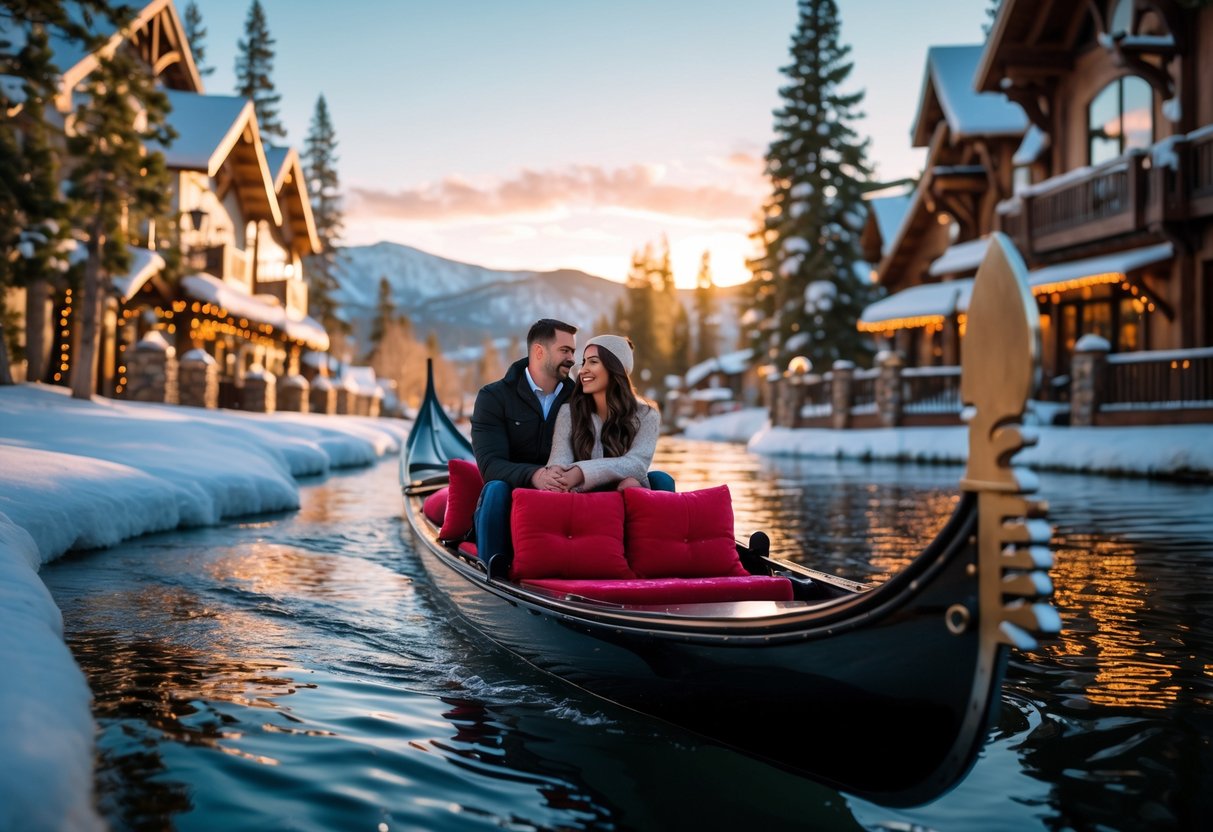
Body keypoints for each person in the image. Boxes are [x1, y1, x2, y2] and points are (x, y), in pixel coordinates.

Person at [470, 319, 577, 566]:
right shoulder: (493, 397)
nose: (572, 358)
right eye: (565, 350)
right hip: (510, 502)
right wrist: (536, 476)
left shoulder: (579, 400)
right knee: (495, 489)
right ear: (539, 351)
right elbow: (490, 466)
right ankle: (494, 571)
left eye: (573, 351)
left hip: (564, 501)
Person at [541, 334, 661, 492]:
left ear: (615, 368)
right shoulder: (568, 412)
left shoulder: (646, 415)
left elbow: (637, 464)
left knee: (633, 484)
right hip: (580, 496)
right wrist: (556, 473)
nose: (583, 370)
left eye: (593, 362)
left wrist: (580, 472)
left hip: (626, 497)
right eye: (584, 362)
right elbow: (560, 458)